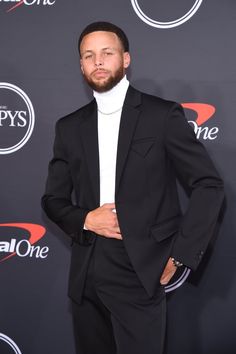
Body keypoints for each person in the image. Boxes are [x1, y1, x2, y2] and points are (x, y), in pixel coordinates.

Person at [41, 21, 224, 354]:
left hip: (139, 268)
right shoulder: (68, 127)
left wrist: (180, 256)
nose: (97, 61)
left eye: (106, 53)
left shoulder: (162, 115)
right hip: (85, 273)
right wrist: (86, 219)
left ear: (125, 59)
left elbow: (209, 185)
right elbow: (53, 200)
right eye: (88, 55)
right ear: (81, 65)